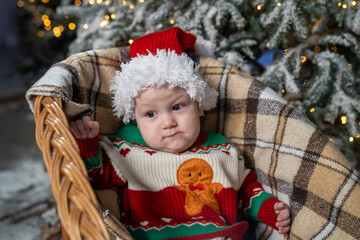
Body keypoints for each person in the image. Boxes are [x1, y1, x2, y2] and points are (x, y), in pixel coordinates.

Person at [69, 27, 290, 240]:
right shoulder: (129, 147)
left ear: (199, 105)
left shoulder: (223, 148)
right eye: (150, 114)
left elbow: (245, 190)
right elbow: (98, 177)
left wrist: (270, 209)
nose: (168, 122)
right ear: (135, 118)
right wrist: (88, 143)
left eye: (177, 107)